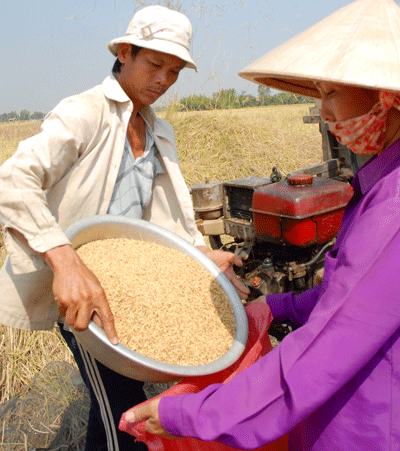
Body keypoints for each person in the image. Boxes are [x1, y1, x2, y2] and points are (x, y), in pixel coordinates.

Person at [123, 0, 400, 449]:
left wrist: (188, 412)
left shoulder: (393, 209)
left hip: (366, 427)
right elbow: (348, 299)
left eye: (330, 92)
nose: (324, 113)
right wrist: (281, 306)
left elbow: (324, 353)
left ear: (387, 96)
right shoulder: (376, 185)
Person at [0, 5, 249, 451]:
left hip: (134, 287)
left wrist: (202, 259)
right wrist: (65, 260)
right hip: (83, 290)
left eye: (174, 71)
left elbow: (166, 214)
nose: (164, 80)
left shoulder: (158, 130)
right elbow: (13, 180)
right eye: (155, 64)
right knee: (121, 408)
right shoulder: (85, 113)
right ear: (126, 52)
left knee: (120, 408)